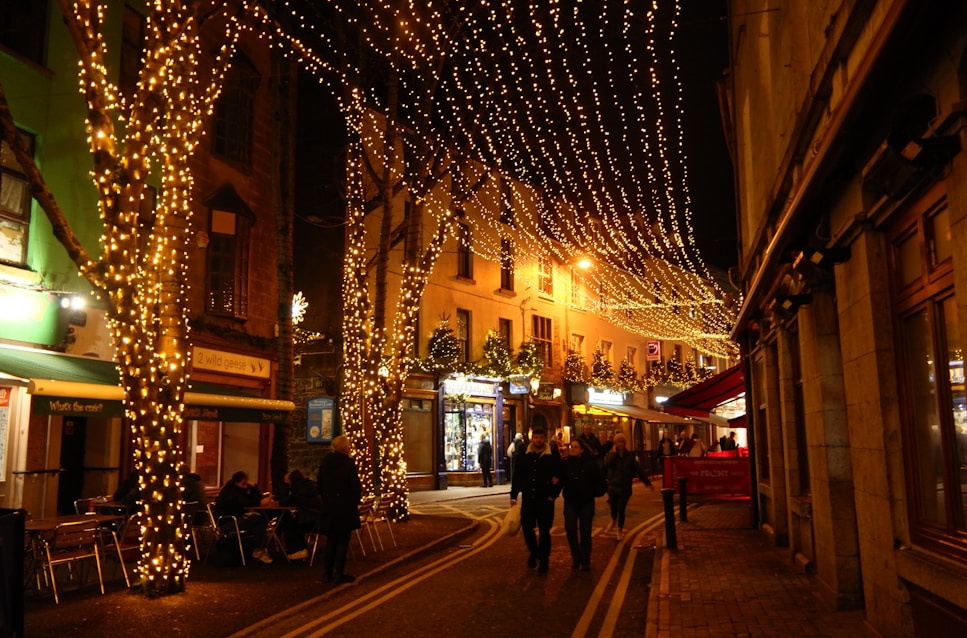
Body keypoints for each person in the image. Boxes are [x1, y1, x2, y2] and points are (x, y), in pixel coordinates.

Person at [510, 426, 562, 573]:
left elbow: (560, 475)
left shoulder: (551, 454)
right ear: (532, 438)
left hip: (546, 499)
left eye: (541, 437)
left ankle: (544, 560)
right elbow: (517, 475)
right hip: (529, 498)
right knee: (527, 528)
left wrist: (554, 494)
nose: (538, 440)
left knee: (545, 531)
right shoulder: (524, 454)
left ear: (544, 438)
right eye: (536, 437)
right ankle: (534, 552)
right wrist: (513, 495)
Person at [318, 435, 362, 584]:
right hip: (344, 506)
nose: (349, 448)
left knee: (331, 540)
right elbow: (355, 487)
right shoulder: (348, 464)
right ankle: (339, 574)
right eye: (348, 445)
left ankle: (327, 574)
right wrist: (354, 501)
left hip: (330, 506)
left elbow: (320, 484)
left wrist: (326, 498)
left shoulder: (325, 462)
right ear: (344, 448)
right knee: (343, 540)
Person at [560, 439, 605, 571]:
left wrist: (593, 492)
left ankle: (585, 559)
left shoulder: (590, 464)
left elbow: (601, 482)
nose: (572, 449)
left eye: (575, 447)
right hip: (571, 501)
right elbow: (560, 480)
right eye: (571, 447)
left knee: (586, 531)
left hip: (586, 502)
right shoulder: (566, 463)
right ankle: (576, 555)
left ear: (581, 449)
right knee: (570, 528)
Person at [214, 470, 272, 564]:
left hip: (236, 518)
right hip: (227, 521)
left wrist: (254, 487)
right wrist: (258, 502)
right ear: (236, 483)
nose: (245, 487)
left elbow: (255, 498)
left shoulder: (238, 489)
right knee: (259, 521)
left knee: (259, 521)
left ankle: (259, 549)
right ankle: (259, 549)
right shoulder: (230, 493)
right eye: (243, 484)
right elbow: (241, 503)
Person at [603, 433, 651, 541]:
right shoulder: (610, 455)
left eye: (622, 442)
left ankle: (619, 530)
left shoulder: (629, 456)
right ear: (615, 444)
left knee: (621, 509)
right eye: (618, 442)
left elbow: (638, 469)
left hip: (625, 487)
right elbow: (606, 465)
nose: (620, 444)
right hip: (613, 488)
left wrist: (647, 482)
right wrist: (614, 454)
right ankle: (613, 520)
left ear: (624, 443)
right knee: (614, 509)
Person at [276, 469, 323, 560]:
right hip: (320, 519)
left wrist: (286, 484)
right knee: (293, 522)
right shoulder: (309, 486)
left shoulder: (299, 490)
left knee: (289, 524)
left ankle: (298, 550)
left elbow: (284, 501)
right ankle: (301, 549)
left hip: (312, 521)